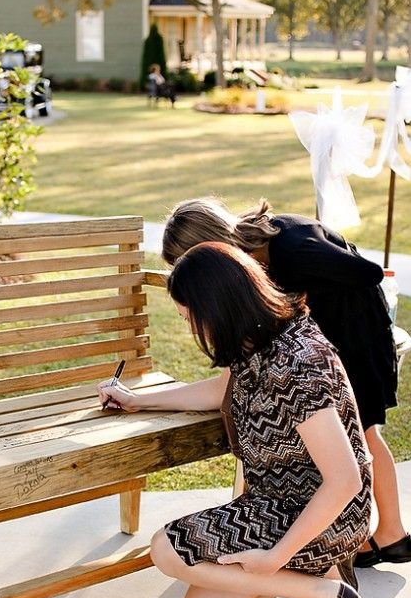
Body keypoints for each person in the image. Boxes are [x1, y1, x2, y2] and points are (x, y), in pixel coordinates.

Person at [98, 242, 371, 598]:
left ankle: (321, 594)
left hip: (321, 512)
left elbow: (345, 480)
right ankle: (319, 576)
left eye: (190, 318)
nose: (192, 329)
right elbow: (218, 391)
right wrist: (138, 400)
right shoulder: (257, 342)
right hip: (280, 505)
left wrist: (274, 557)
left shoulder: (293, 365)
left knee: (166, 549)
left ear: (216, 308)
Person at [161, 197, 410, 569]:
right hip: (324, 338)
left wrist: (300, 305)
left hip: (354, 340)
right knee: (354, 436)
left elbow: (366, 272)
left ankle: (391, 533)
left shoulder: (289, 248)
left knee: (364, 432)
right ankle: (374, 534)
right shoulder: (262, 252)